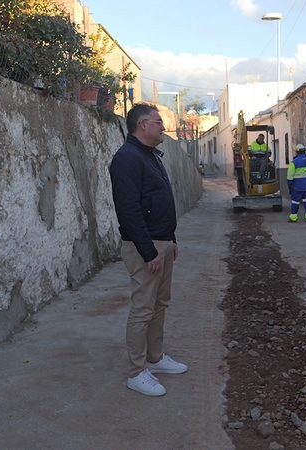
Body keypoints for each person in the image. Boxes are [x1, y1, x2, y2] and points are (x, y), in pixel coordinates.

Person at [109, 103, 188, 397]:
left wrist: (171, 239)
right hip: (146, 247)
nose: (163, 126)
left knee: (159, 304)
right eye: (158, 122)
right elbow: (128, 210)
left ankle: (155, 359)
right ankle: (136, 372)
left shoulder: (150, 155)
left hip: (162, 242)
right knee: (143, 308)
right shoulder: (127, 158)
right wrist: (148, 251)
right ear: (143, 125)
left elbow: (159, 201)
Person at [286, 144, 306, 222]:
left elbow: (290, 175)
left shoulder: (294, 162)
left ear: (297, 152)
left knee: (295, 201)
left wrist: (289, 184)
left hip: (297, 186)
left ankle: (293, 217)